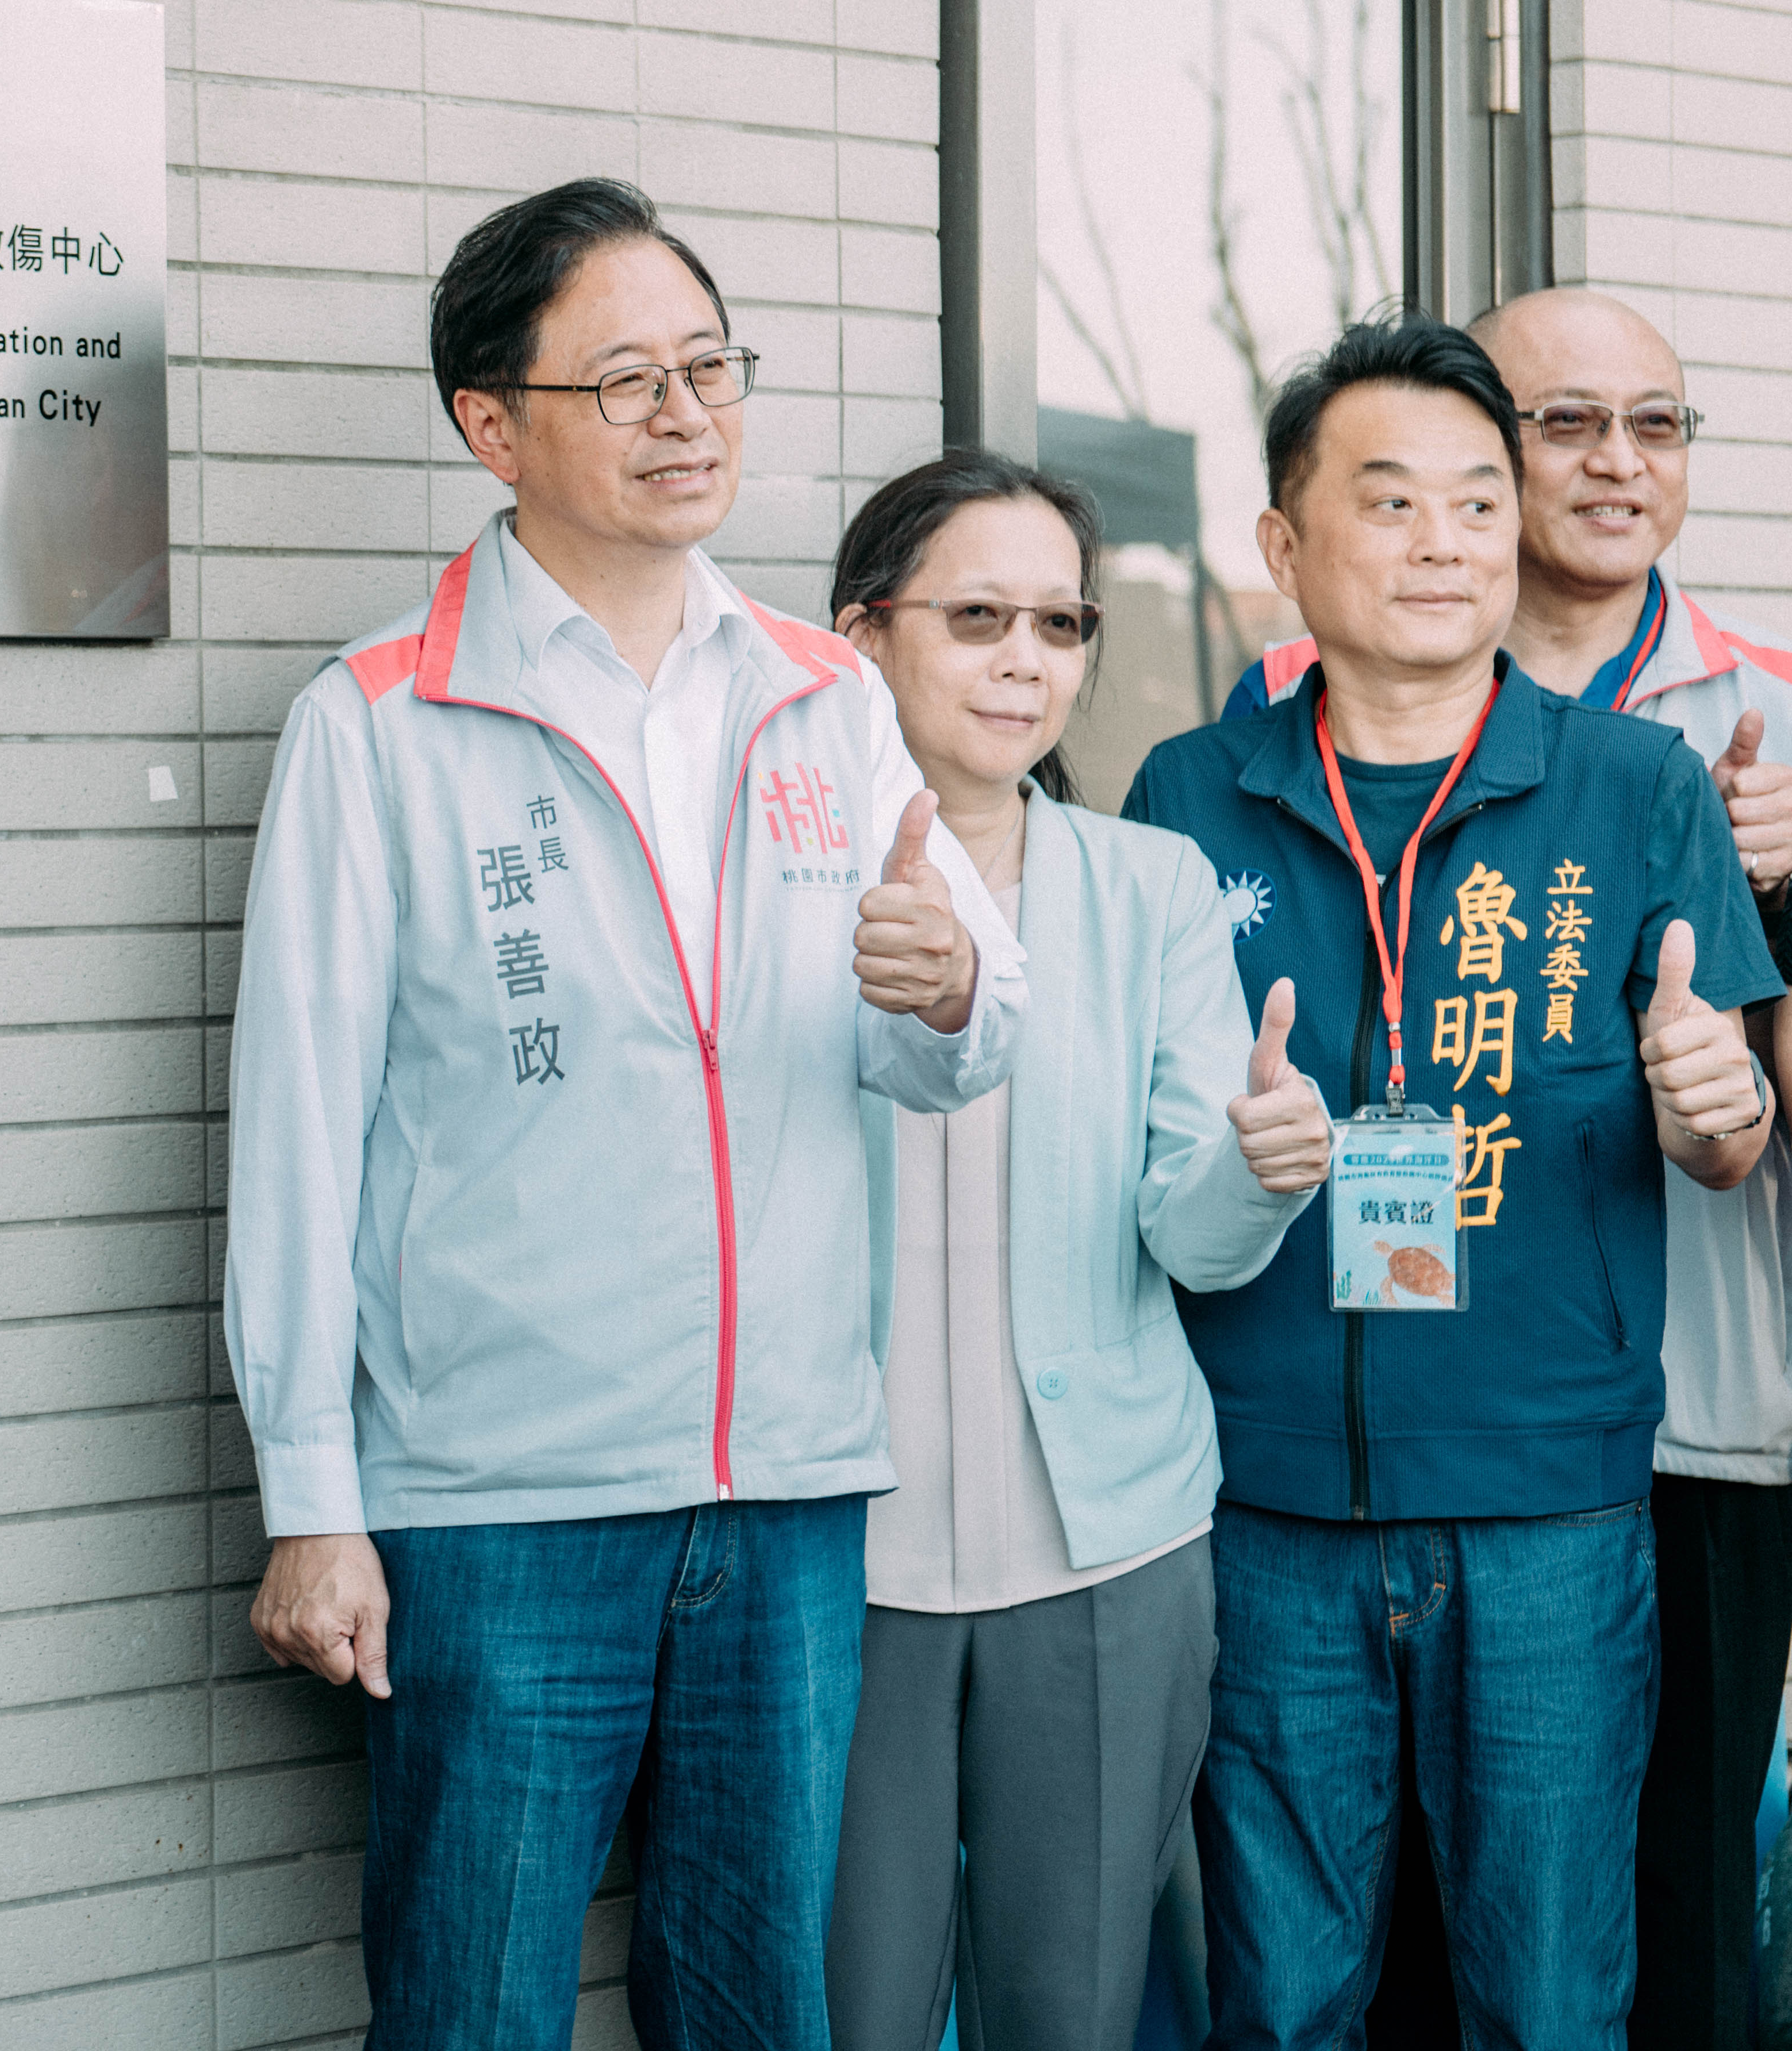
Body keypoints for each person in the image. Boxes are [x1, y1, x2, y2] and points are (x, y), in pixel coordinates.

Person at [224, 177, 1024, 2051]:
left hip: (792, 1487)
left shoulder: (826, 695)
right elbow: (301, 1125)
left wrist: (949, 988)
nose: (688, 418)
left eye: (711, 370)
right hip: (503, 1501)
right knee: (476, 2003)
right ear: (491, 426)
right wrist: (312, 1499)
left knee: (760, 2009)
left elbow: (968, 1037)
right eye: (629, 383)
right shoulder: (383, 718)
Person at [1125, 313, 1779, 2048]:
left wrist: (1725, 1107)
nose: (1444, 545)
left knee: (1553, 1996)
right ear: (1285, 544)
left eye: (1479, 506)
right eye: (1391, 502)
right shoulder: (1188, 797)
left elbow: (1723, 1136)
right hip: (1266, 1514)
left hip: (1552, 1508)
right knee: (1287, 1999)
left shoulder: (1637, 787)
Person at [816, 449, 1327, 2051]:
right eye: (976, 617)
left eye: (1060, 621)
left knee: (1076, 2007)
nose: (1025, 659)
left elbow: (1192, 1229)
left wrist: (1262, 1167)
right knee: (841, 2006)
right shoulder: (769, 871)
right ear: (861, 633)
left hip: (1108, 1546)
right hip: (838, 1553)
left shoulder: (1149, 884)